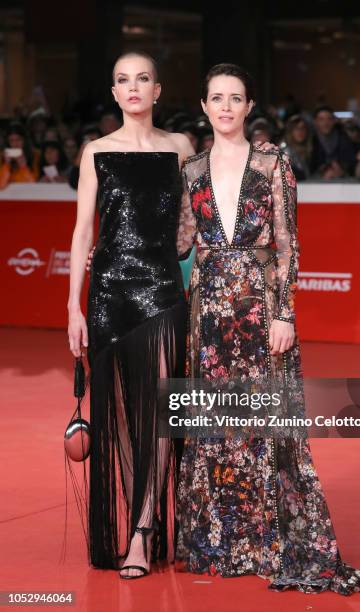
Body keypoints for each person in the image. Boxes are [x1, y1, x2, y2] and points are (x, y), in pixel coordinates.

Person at [175, 63, 360, 595]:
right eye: (216, 98)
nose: (225, 107)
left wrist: (284, 312)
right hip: (209, 312)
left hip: (262, 308)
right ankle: (223, 540)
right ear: (203, 106)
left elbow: (288, 244)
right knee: (217, 426)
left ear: (249, 105)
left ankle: (271, 542)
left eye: (235, 98)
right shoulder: (191, 170)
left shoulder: (273, 161)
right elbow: (180, 243)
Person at [67, 50, 194, 579]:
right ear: (115, 93)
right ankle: (134, 519)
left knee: (163, 412)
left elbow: (192, 228)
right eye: (123, 80)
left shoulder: (182, 148)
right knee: (118, 416)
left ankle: (144, 527)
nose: (134, 87)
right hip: (109, 296)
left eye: (143, 78)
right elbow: (82, 232)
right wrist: (73, 305)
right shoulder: (96, 151)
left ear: (158, 90)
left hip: (165, 291)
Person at [310, 106, 356, 179]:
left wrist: (341, 170)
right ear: (315, 122)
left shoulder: (344, 138)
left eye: (329, 119)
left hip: (342, 181)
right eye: (321, 119)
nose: (326, 123)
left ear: (334, 121)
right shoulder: (310, 140)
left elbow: (351, 162)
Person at [0, 123, 39, 189]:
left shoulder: (35, 155)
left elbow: (33, 186)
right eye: (11, 141)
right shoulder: (2, 156)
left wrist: (23, 167)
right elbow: (1, 186)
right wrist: (6, 165)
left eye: (18, 140)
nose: (15, 144)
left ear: (24, 141)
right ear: (8, 143)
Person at [280, 114, 313, 181]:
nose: (300, 131)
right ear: (290, 131)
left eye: (303, 128)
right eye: (296, 128)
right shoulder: (285, 153)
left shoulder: (310, 151)